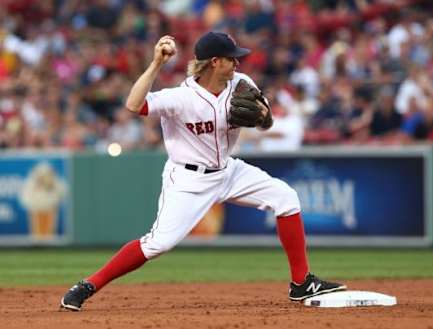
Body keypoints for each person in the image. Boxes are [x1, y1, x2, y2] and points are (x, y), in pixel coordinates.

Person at [59, 32, 346, 311]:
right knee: (158, 244)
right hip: (188, 178)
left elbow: (266, 123)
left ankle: (301, 283)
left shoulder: (242, 83)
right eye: (231, 59)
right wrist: (157, 63)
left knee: (286, 198)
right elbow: (133, 104)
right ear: (214, 62)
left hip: (229, 171)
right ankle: (88, 285)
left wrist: (262, 117)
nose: (238, 63)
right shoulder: (180, 98)